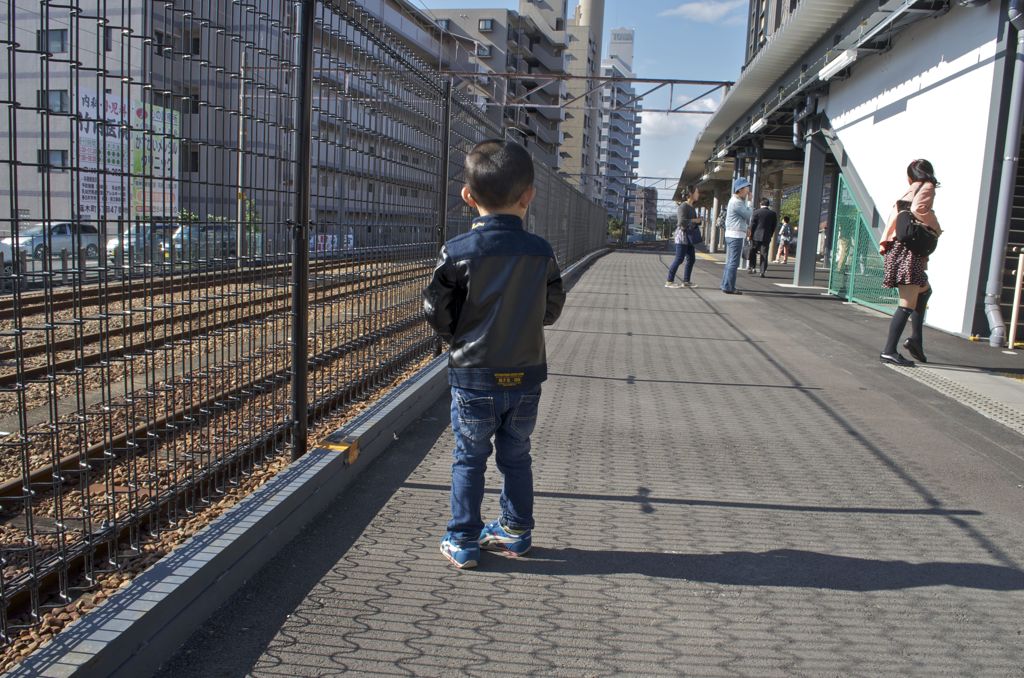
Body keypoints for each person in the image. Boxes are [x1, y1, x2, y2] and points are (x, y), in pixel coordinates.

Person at [423, 139, 565, 569]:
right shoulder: (541, 252)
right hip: (526, 376)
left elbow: (435, 308)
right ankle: (516, 531)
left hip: (473, 374)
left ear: (468, 196)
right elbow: (552, 308)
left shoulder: (457, 251)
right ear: (529, 196)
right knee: (517, 455)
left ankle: (463, 540)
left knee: (469, 457)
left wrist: (456, 336)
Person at [878, 159, 942, 366]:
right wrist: (935, 227)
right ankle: (889, 351)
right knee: (906, 304)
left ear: (910, 177)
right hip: (908, 253)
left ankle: (916, 340)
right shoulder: (927, 187)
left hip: (899, 250)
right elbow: (919, 209)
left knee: (924, 290)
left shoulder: (909, 191)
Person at [666, 185, 701, 288]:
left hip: (689, 236)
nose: (698, 194)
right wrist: (694, 220)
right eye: (697, 192)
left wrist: (698, 221)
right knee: (679, 259)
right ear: (691, 194)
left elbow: (692, 222)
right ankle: (669, 281)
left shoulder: (691, 207)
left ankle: (686, 281)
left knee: (691, 259)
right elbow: (681, 222)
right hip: (682, 236)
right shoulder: (683, 206)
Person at [721, 177, 752, 295]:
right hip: (735, 235)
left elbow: (740, 219)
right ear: (740, 189)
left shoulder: (735, 200)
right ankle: (729, 287)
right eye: (746, 188)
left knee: (730, 262)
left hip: (732, 234)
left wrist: (746, 228)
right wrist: (750, 202)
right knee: (734, 263)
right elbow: (748, 214)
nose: (748, 190)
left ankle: (725, 285)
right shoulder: (737, 202)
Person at [748, 197, 778, 277]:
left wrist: (750, 235)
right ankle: (762, 271)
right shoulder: (772, 214)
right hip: (766, 236)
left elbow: (752, 225)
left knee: (753, 251)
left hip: (755, 236)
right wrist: (770, 234)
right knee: (764, 253)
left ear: (761, 203)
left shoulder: (756, 212)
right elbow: (773, 226)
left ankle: (752, 267)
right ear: (768, 204)